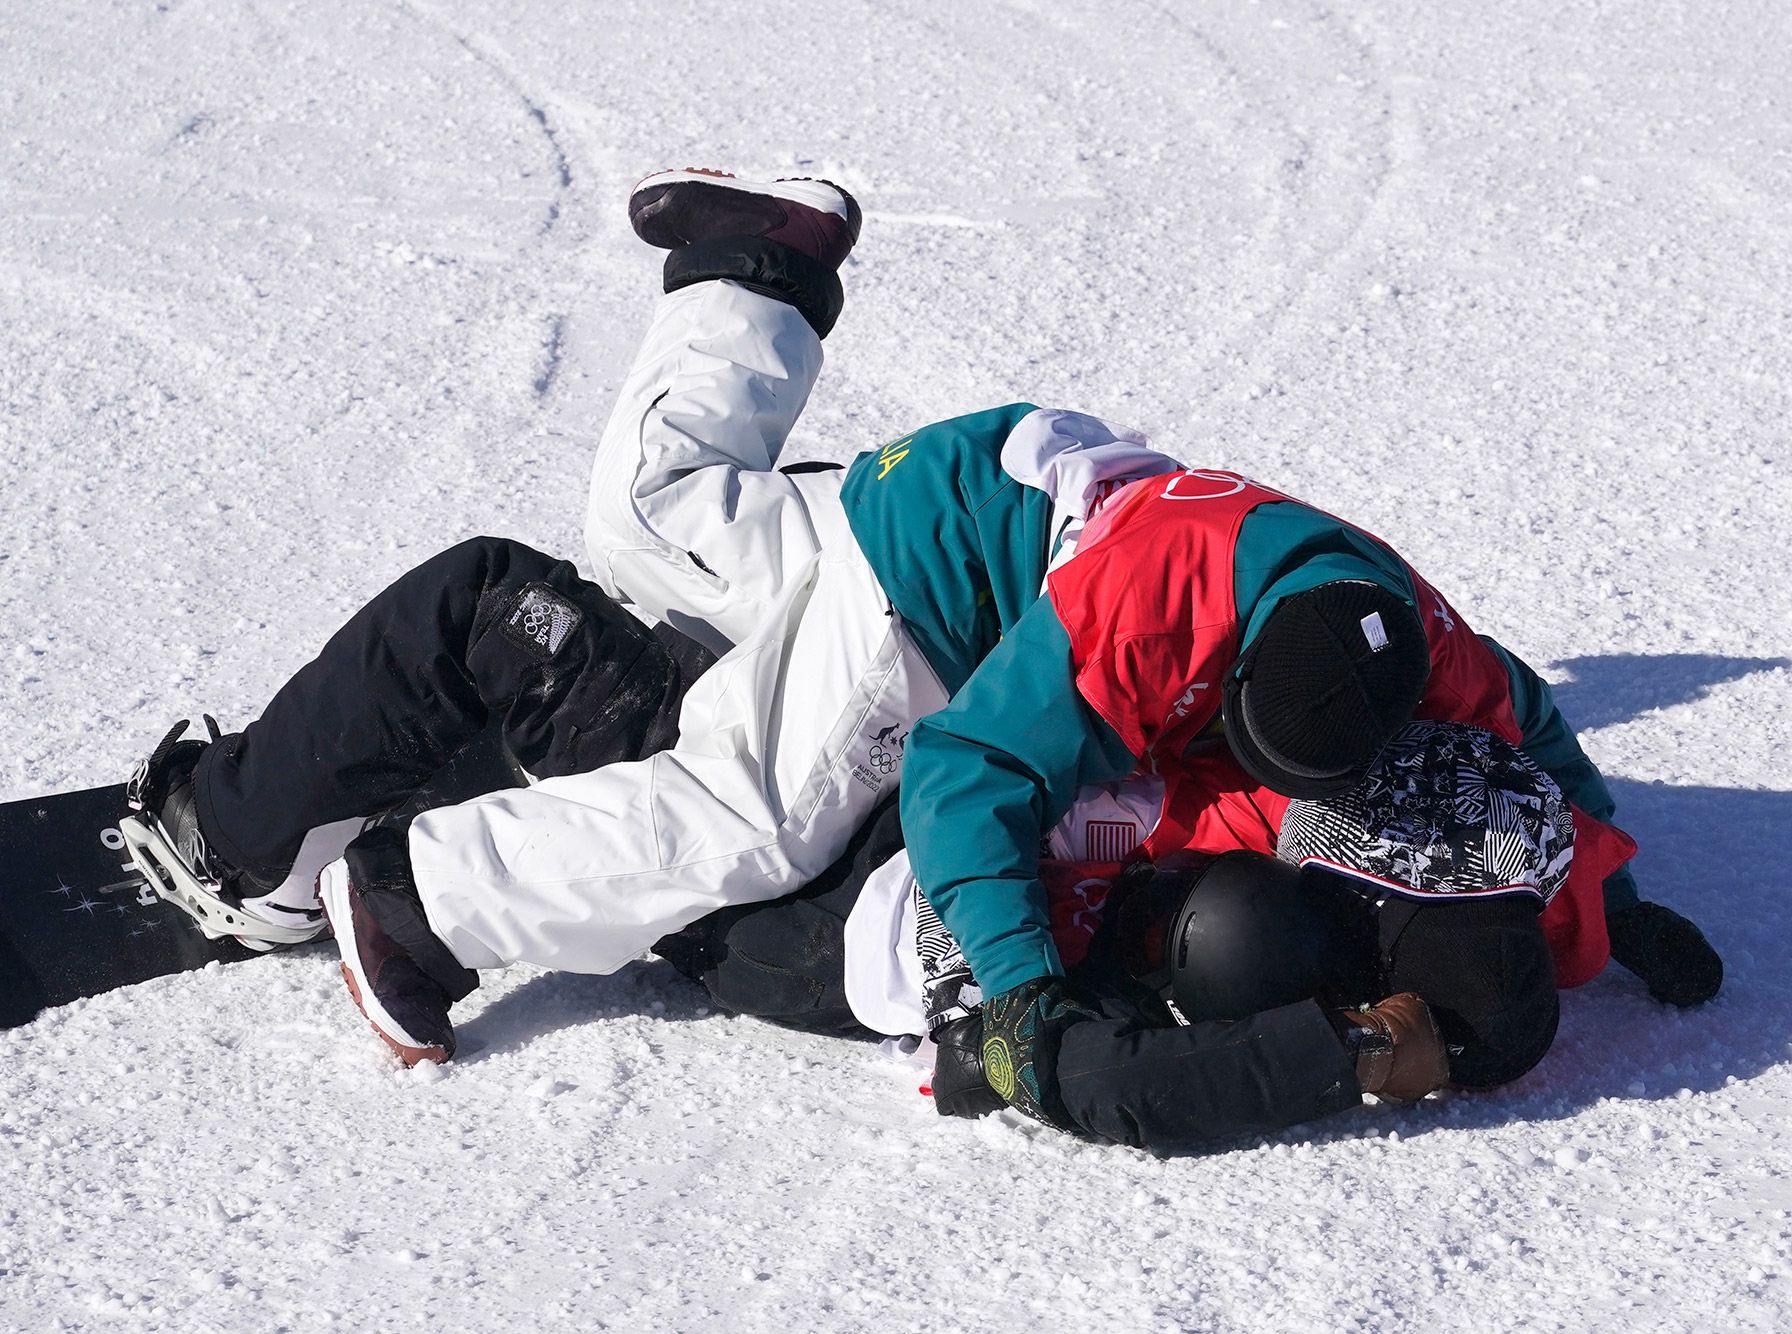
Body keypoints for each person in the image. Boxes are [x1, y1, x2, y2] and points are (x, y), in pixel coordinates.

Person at [123, 167, 1719, 1087]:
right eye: (1231, 722)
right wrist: (1024, 993)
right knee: (748, 810)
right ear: (1229, 654)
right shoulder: (1141, 617)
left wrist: (1612, 871)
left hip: (967, 479)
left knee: (660, 525)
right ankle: (424, 903)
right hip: (936, 598)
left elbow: (1521, 709)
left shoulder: (1403, 629)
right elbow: (965, 773)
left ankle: (751, 272)